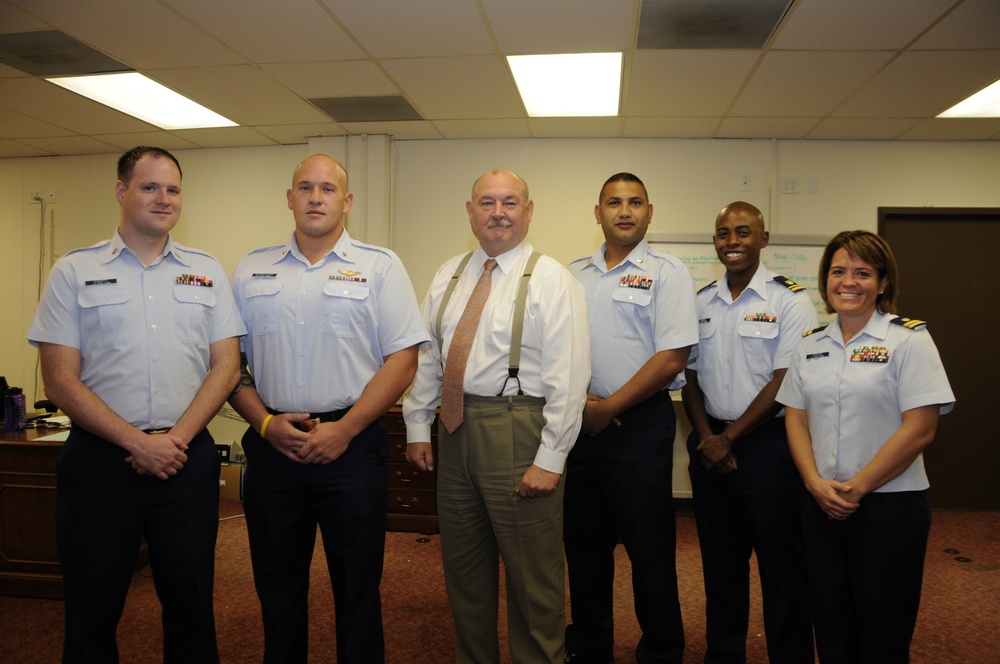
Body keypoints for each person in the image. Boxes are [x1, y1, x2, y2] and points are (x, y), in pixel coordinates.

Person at [27, 145, 245, 662]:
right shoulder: (73, 271)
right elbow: (59, 380)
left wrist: (174, 442)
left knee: (191, 606)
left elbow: (226, 368)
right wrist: (137, 443)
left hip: (184, 459)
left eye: (172, 189)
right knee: (91, 610)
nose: (163, 198)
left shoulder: (207, 271)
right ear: (122, 192)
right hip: (101, 463)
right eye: (149, 187)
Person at [227, 154, 426, 663]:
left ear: (347, 201)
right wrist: (265, 424)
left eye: (328, 189)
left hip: (352, 447)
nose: (316, 197)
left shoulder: (380, 266)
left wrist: (346, 430)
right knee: (276, 586)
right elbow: (228, 365)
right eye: (306, 188)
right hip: (273, 445)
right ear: (290, 198)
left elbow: (402, 360)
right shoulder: (252, 268)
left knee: (358, 586)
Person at [403, 168, 590, 664]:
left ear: (529, 211)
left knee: (534, 579)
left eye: (510, 202)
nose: (499, 212)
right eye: (487, 202)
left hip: (519, 428)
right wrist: (419, 425)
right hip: (455, 429)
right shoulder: (449, 274)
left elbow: (569, 379)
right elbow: (429, 356)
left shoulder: (553, 279)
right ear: (470, 212)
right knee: (464, 573)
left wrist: (550, 458)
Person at [776, 230, 955, 664]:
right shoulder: (810, 344)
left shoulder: (909, 341)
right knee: (831, 620)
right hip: (821, 504)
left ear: (884, 282)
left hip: (889, 507)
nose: (848, 282)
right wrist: (815, 483)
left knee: (883, 627)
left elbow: (920, 429)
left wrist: (857, 487)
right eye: (838, 271)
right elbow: (796, 418)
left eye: (862, 272)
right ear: (825, 280)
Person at [563, 173, 697, 664]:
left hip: (638, 427)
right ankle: (591, 643)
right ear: (597, 212)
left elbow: (673, 356)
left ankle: (663, 648)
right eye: (613, 202)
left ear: (649, 211)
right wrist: (583, 409)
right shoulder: (571, 274)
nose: (624, 210)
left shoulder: (668, 272)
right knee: (583, 547)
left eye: (634, 202)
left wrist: (608, 408)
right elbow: (554, 349)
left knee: (650, 549)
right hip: (578, 426)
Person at [681, 201, 817, 663]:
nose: (732, 242)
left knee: (783, 569)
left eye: (743, 232)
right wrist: (708, 438)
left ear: (763, 238)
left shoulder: (790, 300)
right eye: (723, 233)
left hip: (768, 448)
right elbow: (691, 378)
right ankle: (723, 655)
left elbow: (785, 381)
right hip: (709, 444)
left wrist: (731, 438)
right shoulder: (700, 302)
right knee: (721, 567)